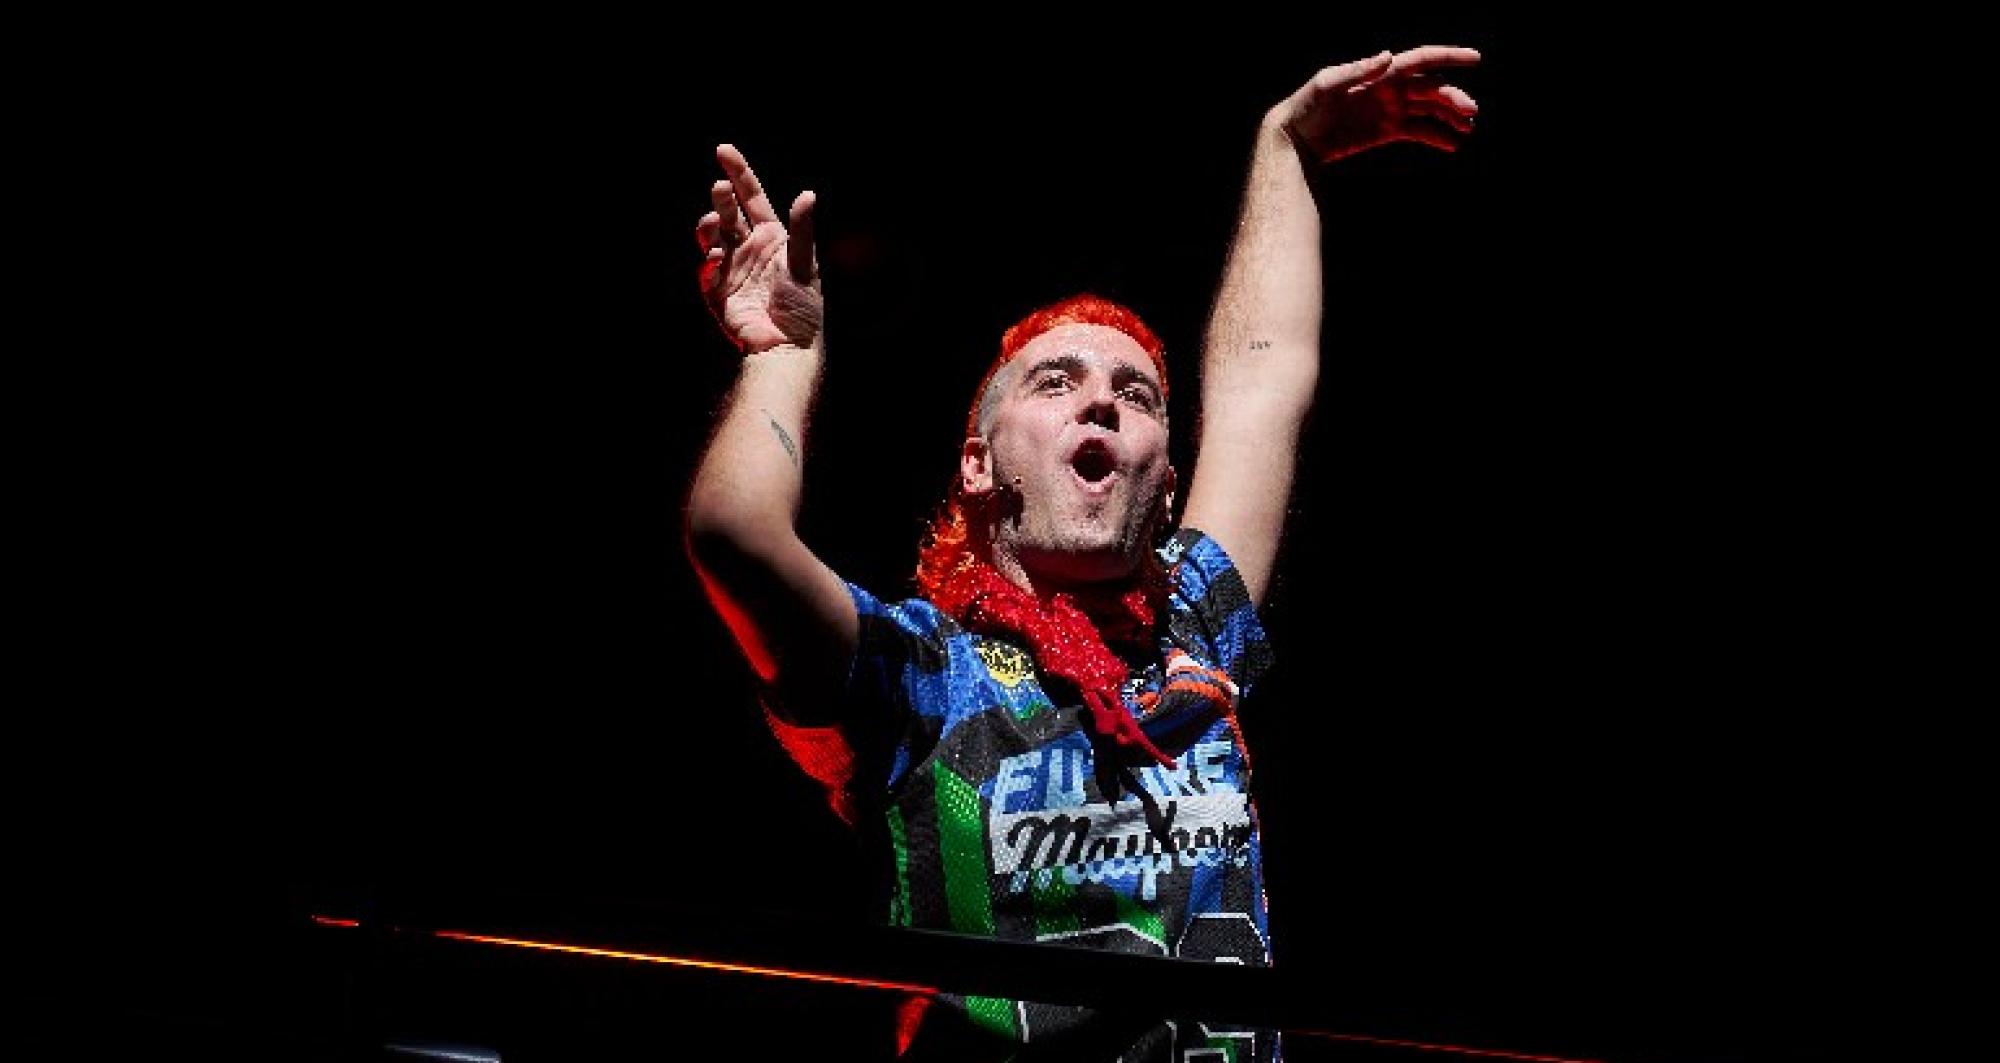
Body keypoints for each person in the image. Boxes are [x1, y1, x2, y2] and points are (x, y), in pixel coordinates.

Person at [684, 45, 1480, 1063]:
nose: (1101, 398)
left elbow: (1261, 377)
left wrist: (1284, 146)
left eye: (1134, 393)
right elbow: (735, 534)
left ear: (1166, 482)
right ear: (977, 463)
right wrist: (781, 358)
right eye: (1055, 382)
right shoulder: (918, 673)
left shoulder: (1196, 626)